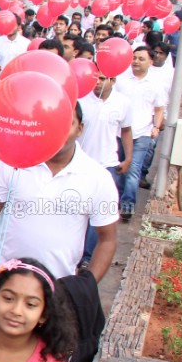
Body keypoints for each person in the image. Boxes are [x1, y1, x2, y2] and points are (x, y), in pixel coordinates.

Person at [0, 103, 120, 313]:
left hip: (59, 289)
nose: (59, 131)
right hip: (2, 279)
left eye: (68, 124)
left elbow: (107, 239)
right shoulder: (12, 164)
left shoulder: (98, 179)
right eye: (53, 123)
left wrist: (85, 287)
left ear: (80, 129)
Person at [77, 72, 132, 269]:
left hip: (107, 165)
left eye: (102, 78)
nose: (97, 82)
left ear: (113, 81)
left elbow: (126, 130)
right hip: (80, 164)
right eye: (95, 77)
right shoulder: (80, 100)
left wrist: (128, 158)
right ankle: (76, 251)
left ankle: (87, 257)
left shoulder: (123, 103)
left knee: (98, 215)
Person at [113, 46, 166, 221]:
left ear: (150, 62)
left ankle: (127, 206)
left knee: (134, 170)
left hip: (142, 133)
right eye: (134, 58)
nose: (136, 61)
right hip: (119, 133)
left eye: (141, 58)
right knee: (119, 168)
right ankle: (117, 202)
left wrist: (156, 127)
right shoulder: (121, 80)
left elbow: (159, 109)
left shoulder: (156, 84)